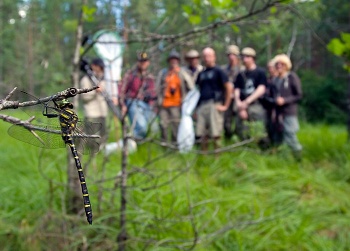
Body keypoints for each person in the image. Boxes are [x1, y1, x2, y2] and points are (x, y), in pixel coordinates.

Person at [195, 47, 233, 150]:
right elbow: (197, 91)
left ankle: (217, 156)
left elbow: (229, 88)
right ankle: (204, 155)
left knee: (216, 132)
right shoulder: (201, 74)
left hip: (214, 104)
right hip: (202, 105)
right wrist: (195, 108)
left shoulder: (219, 71)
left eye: (209, 56)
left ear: (214, 57)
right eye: (205, 56)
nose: (207, 58)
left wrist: (225, 105)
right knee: (202, 133)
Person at [156, 50, 194, 143]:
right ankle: (164, 144)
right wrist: (157, 101)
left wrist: (186, 100)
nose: (174, 62)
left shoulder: (182, 72)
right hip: (164, 104)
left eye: (176, 60)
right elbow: (157, 87)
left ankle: (175, 145)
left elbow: (191, 86)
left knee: (175, 126)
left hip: (176, 104)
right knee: (163, 125)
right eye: (172, 60)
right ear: (169, 61)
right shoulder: (164, 73)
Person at [272, 54, 303, 160]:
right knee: (278, 137)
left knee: (290, 136)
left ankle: (299, 159)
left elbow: (298, 95)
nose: (279, 66)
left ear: (286, 65)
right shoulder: (275, 80)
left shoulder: (291, 77)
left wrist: (285, 100)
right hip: (278, 114)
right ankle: (281, 160)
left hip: (289, 112)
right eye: (277, 64)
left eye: (282, 64)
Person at [120, 52, 157, 140]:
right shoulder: (130, 74)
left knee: (154, 128)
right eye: (141, 61)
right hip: (133, 102)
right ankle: (134, 143)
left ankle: (142, 144)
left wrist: (154, 106)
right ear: (137, 62)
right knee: (141, 127)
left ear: (148, 62)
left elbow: (153, 93)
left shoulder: (150, 77)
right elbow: (122, 90)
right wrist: (123, 105)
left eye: (145, 61)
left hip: (146, 104)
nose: (143, 63)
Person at [234, 47, 267, 140]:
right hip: (242, 105)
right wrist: (239, 104)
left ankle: (262, 148)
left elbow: (261, 89)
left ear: (253, 58)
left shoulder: (260, 72)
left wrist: (247, 102)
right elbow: (236, 89)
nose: (245, 59)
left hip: (256, 104)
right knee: (242, 129)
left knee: (259, 127)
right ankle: (245, 147)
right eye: (243, 57)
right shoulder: (241, 74)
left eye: (248, 57)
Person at [80, 58, 108, 147]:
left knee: (102, 136)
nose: (100, 69)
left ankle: (101, 150)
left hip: (102, 112)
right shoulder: (85, 79)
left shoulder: (103, 79)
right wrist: (95, 91)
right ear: (93, 66)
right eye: (99, 67)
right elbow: (84, 96)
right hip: (92, 113)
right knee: (92, 137)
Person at [222, 45, 241, 140]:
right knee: (226, 121)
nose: (231, 57)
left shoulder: (242, 70)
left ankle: (238, 138)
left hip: (239, 98)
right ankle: (228, 138)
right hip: (227, 98)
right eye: (229, 55)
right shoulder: (224, 70)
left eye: (234, 54)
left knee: (238, 120)